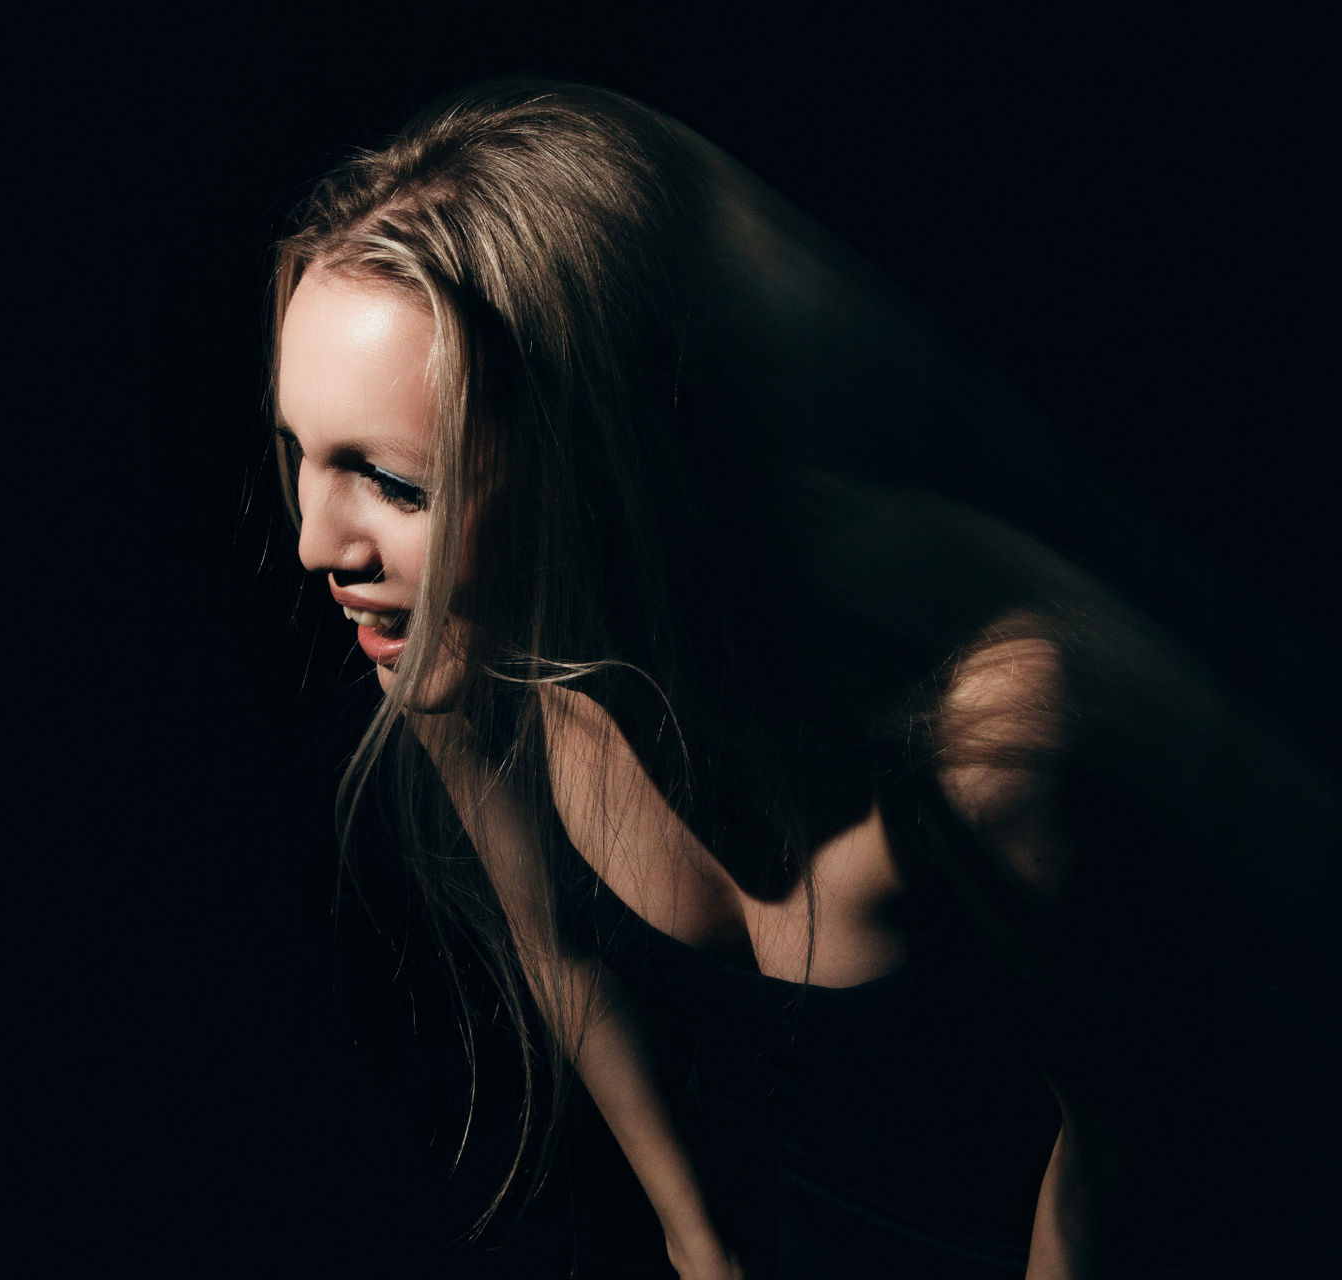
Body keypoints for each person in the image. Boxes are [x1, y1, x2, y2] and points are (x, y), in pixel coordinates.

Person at [263, 78, 1338, 1278]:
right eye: (303, 453)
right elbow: (560, 952)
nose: (316, 543)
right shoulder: (465, 642)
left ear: (601, 454)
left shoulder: (990, 745)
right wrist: (700, 1242)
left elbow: (1125, 1152)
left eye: (394, 482)